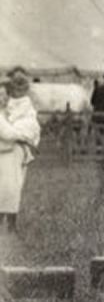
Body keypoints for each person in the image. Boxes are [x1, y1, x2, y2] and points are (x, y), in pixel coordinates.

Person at [0, 73, 41, 235]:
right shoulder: (6, 111)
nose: (5, 98)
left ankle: (10, 224)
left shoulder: (22, 107)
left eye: (5, 95)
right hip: (8, 151)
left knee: (13, 187)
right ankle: (8, 224)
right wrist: (22, 135)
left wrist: (22, 135)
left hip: (15, 152)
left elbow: (31, 129)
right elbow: (9, 133)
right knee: (7, 187)